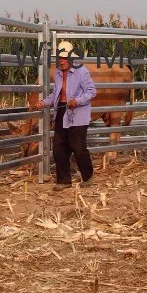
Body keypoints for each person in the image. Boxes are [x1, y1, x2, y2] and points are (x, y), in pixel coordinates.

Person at [29, 40, 98, 191]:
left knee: (78, 147)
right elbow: (56, 94)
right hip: (61, 111)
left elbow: (92, 91)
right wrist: (44, 102)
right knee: (59, 148)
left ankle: (88, 176)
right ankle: (64, 180)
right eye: (59, 58)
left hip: (78, 114)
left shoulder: (82, 72)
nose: (61, 61)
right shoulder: (58, 74)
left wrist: (77, 100)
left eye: (64, 58)